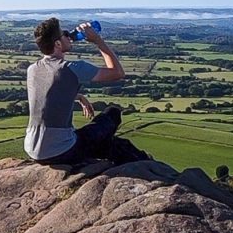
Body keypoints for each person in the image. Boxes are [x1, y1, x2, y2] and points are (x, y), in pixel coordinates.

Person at [24, 17, 150, 166]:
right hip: (62, 152)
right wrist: (97, 40)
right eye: (64, 33)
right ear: (57, 44)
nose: (69, 34)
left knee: (109, 143)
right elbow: (118, 73)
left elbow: (48, 95)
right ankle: (147, 164)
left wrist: (79, 97)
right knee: (112, 113)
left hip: (32, 150)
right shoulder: (72, 67)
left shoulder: (32, 69)